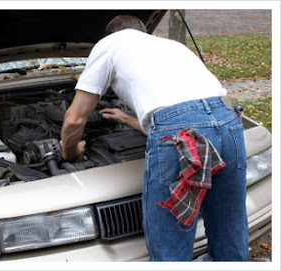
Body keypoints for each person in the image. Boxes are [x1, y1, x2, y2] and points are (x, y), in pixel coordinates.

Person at [60, 15, 248, 261]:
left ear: (110, 35)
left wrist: (69, 151)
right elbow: (193, 115)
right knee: (229, 226)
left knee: (170, 245)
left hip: (178, 131)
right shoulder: (173, 46)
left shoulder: (109, 44)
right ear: (144, 32)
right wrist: (127, 119)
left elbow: (74, 120)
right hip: (228, 121)